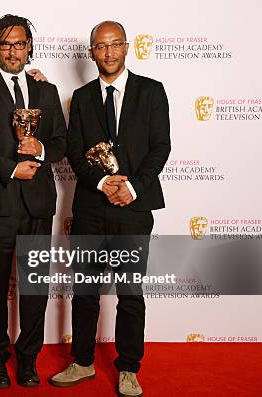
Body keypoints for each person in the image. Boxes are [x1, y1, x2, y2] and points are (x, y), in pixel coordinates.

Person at [49, 21, 170, 397]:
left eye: (115, 44)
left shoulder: (151, 91)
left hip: (134, 208)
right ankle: (82, 361)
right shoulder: (82, 97)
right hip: (90, 208)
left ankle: (129, 368)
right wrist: (103, 183)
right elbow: (74, 150)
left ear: (126, 47)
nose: (109, 52)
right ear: (91, 52)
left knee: (130, 293)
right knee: (84, 290)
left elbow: (159, 147)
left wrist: (131, 187)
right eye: (101, 47)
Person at [0, 14, 67, 389]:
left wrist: (38, 150)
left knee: (35, 288)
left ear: (29, 48)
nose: (13, 50)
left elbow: (60, 143)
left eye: (19, 43)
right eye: (5, 44)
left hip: (38, 204)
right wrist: (10, 168)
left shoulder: (47, 90)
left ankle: (28, 360)